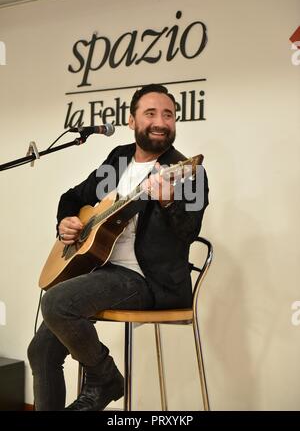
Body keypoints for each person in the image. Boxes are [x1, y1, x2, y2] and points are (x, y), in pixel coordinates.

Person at [28, 84, 209, 411]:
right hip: (103, 271)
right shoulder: (118, 159)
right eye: (150, 113)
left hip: (148, 280)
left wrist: (168, 202)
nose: (160, 121)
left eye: (168, 114)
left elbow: (188, 232)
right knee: (41, 350)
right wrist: (66, 220)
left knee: (57, 302)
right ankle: (102, 380)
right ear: (131, 120)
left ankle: (104, 378)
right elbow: (73, 197)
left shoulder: (186, 172)